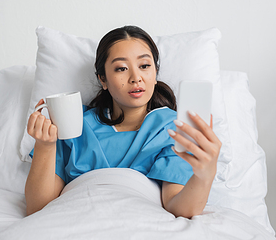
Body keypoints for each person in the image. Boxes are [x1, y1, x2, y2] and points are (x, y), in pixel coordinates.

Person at [24, 26, 221, 217]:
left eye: (144, 66)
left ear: (155, 74)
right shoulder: (74, 126)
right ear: (103, 79)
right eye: (121, 68)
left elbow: (179, 208)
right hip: (76, 221)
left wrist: (204, 176)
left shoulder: (172, 129)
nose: (136, 78)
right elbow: (38, 209)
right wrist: (45, 145)